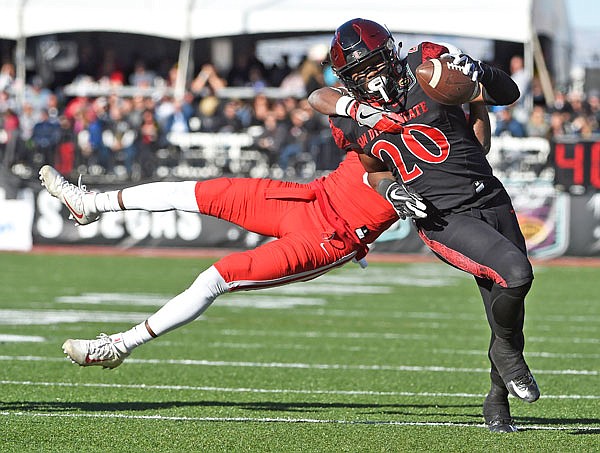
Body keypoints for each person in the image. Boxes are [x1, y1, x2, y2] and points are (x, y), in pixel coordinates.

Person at [307, 18, 538, 433]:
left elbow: (507, 96)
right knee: (517, 276)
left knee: (506, 312)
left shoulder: (425, 69)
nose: (370, 78)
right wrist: (392, 192)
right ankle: (506, 356)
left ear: (391, 56)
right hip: (442, 217)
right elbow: (373, 168)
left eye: (374, 65)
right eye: (358, 73)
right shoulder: (347, 115)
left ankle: (497, 398)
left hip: (491, 197)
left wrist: (478, 76)